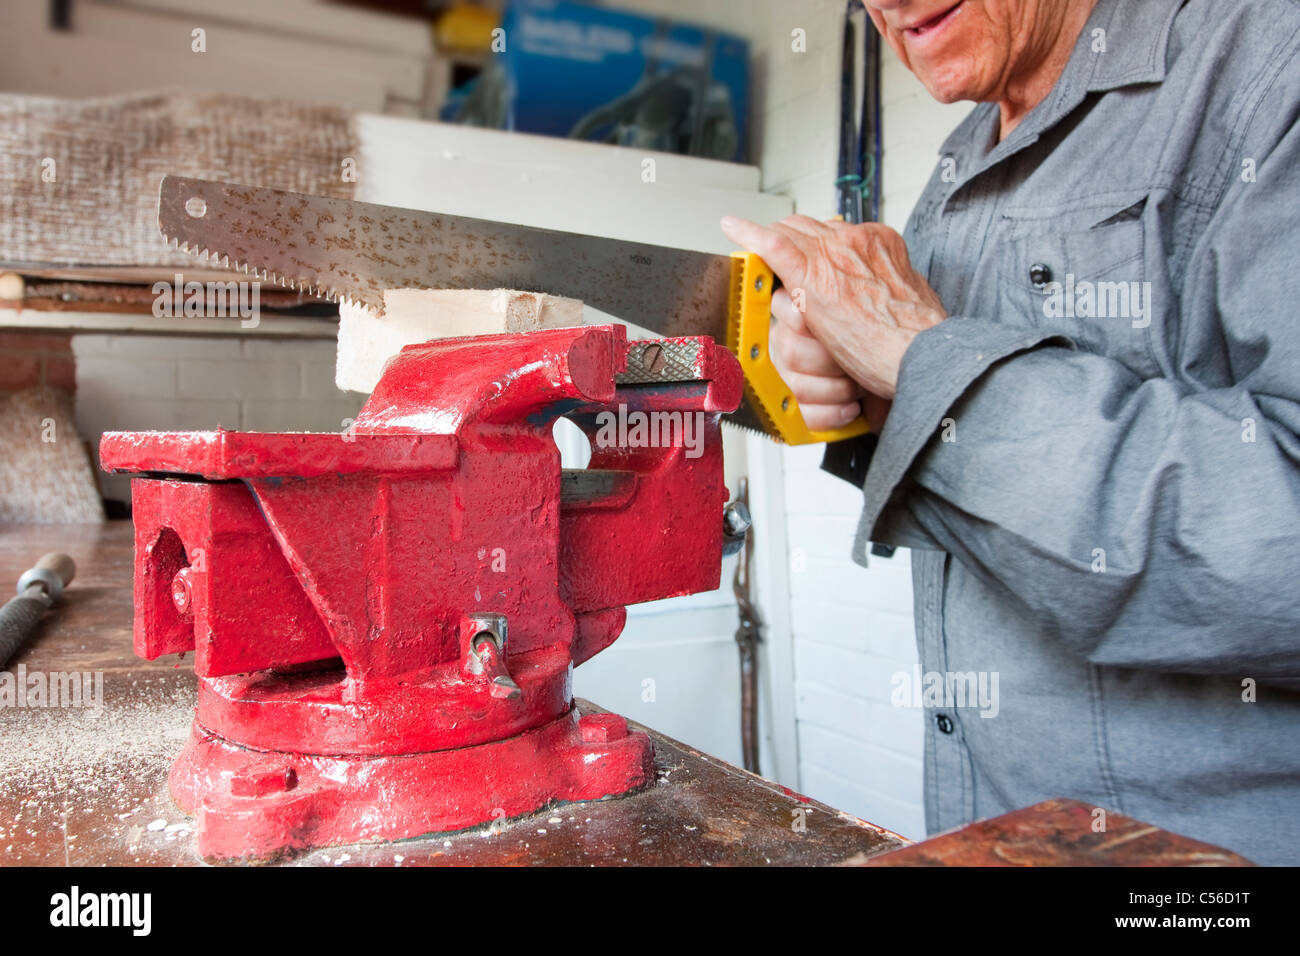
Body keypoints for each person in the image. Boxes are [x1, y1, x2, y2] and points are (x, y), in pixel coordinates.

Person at [721, 0, 1300, 865]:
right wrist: (868, 399)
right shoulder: (964, 162)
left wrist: (920, 359)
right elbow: (950, 432)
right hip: (990, 831)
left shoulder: (1265, 62)